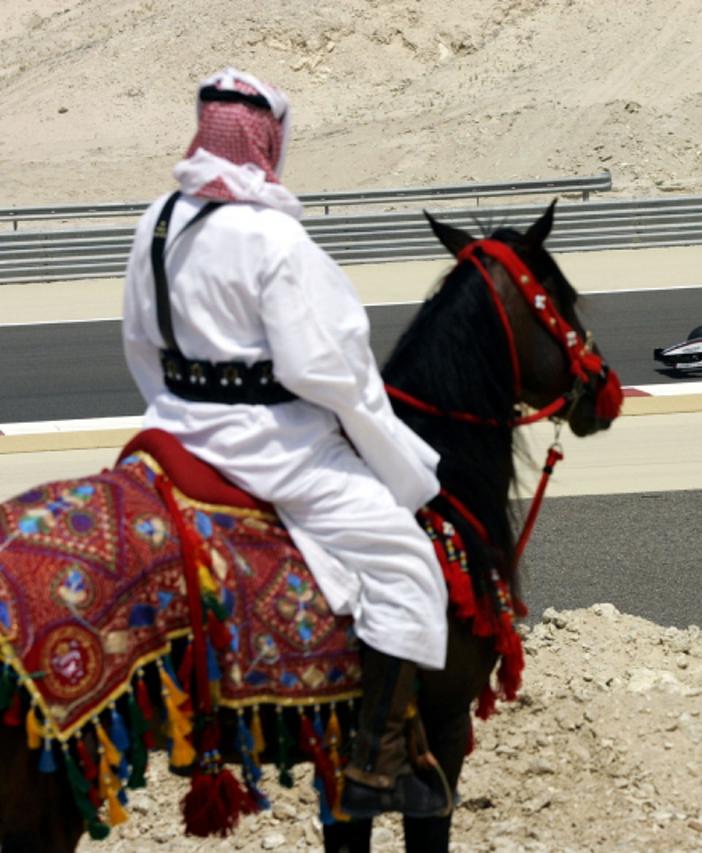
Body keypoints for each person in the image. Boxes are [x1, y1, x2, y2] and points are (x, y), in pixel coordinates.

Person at [122, 68, 450, 818]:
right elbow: (324, 370)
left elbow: (139, 341)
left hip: (170, 432)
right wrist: (385, 443)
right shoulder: (274, 237)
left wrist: (179, 405)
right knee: (407, 562)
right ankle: (375, 764)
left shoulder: (157, 220)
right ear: (268, 139)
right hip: (272, 447)